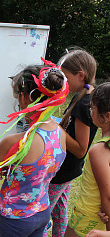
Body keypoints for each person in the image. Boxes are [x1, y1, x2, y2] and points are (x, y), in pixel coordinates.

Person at [0, 62, 68, 236]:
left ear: (25, 98)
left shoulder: (15, 142)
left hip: (15, 217)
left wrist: (7, 168)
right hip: (42, 209)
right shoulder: (60, 133)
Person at [45, 48, 98, 237]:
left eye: (67, 77)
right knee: (59, 214)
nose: (64, 82)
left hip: (63, 171)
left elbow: (80, 149)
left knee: (43, 216)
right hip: (68, 169)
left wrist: (54, 126)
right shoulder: (83, 97)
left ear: (80, 75)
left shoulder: (84, 103)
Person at [64, 82, 110, 237]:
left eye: (92, 108)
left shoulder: (99, 150)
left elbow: (107, 196)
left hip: (89, 218)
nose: (90, 111)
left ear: (107, 116)